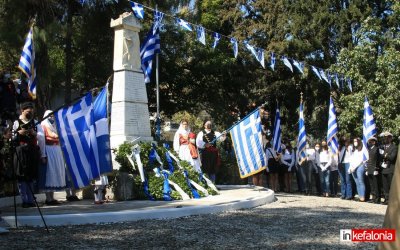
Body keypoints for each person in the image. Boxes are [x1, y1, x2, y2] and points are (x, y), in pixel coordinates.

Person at [12, 102, 42, 208]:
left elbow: (40, 136)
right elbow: (11, 137)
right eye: (28, 110)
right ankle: (24, 200)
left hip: (32, 151)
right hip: (21, 151)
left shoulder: (35, 122)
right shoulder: (16, 122)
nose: (30, 111)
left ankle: (30, 199)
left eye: (31, 110)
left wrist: (34, 134)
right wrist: (18, 133)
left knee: (31, 176)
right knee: (22, 176)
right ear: (22, 111)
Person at [38, 110, 66, 205]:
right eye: (50, 115)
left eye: (53, 115)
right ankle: (48, 198)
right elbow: (42, 140)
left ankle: (52, 197)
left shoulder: (55, 126)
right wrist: (43, 154)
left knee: (55, 173)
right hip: (48, 150)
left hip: (56, 151)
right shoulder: (43, 125)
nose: (52, 117)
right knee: (49, 173)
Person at [380, 132, 398, 205]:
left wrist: (384, 154)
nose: (386, 139)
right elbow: (380, 157)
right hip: (384, 169)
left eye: (388, 137)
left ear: (391, 138)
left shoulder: (394, 147)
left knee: (390, 185)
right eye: (385, 137)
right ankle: (386, 199)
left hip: (390, 168)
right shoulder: (383, 147)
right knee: (385, 186)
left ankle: (392, 200)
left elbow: (392, 158)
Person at [349, 137, 366, 202]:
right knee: (357, 182)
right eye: (354, 141)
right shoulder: (354, 150)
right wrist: (350, 167)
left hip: (360, 166)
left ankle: (362, 197)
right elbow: (351, 159)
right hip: (353, 168)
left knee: (361, 181)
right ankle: (360, 196)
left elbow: (361, 160)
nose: (355, 143)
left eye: (356, 141)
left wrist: (354, 167)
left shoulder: (363, 149)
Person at [365, 137, 382, 204]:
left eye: (371, 141)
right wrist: (367, 169)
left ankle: (377, 199)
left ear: (374, 142)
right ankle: (374, 198)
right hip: (369, 169)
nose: (370, 143)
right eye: (369, 141)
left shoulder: (377, 149)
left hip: (374, 169)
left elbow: (378, 160)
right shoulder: (369, 149)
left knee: (376, 185)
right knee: (371, 185)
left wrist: (376, 169)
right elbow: (368, 160)